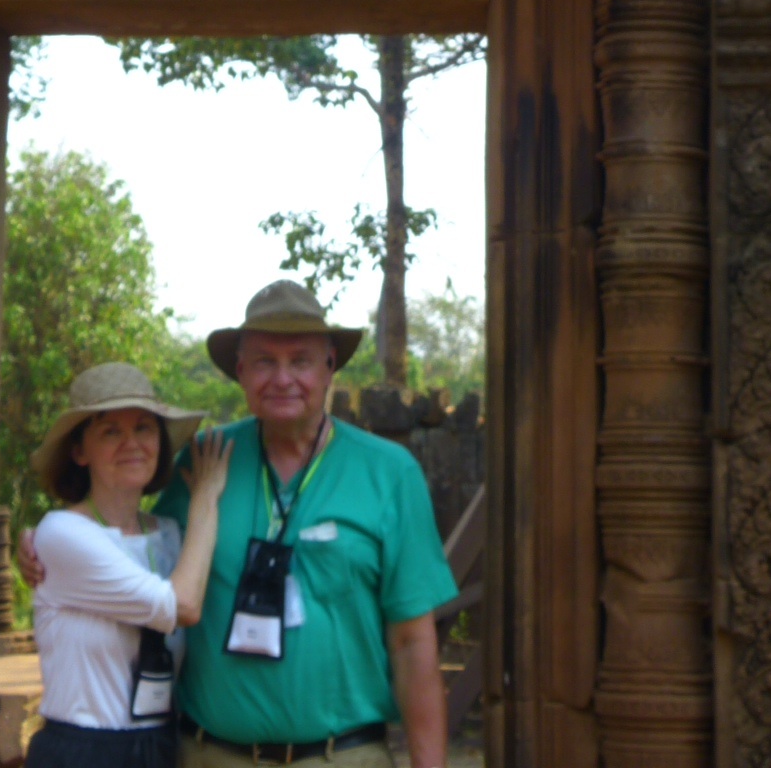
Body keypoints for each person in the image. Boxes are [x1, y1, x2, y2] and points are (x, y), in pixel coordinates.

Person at [24, 282, 457, 768]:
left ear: (330, 365)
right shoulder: (206, 461)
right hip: (210, 754)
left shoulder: (388, 473)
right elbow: (134, 545)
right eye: (265, 361)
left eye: (300, 360)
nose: (282, 378)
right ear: (241, 371)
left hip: (343, 755)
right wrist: (42, 549)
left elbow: (413, 642)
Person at [29, 361, 234, 768]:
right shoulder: (63, 533)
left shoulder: (168, 534)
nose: (132, 443)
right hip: (84, 750)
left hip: (159, 743)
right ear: (79, 451)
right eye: (110, 431)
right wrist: (206, 499)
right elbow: (183, 606)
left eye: (143, 428)